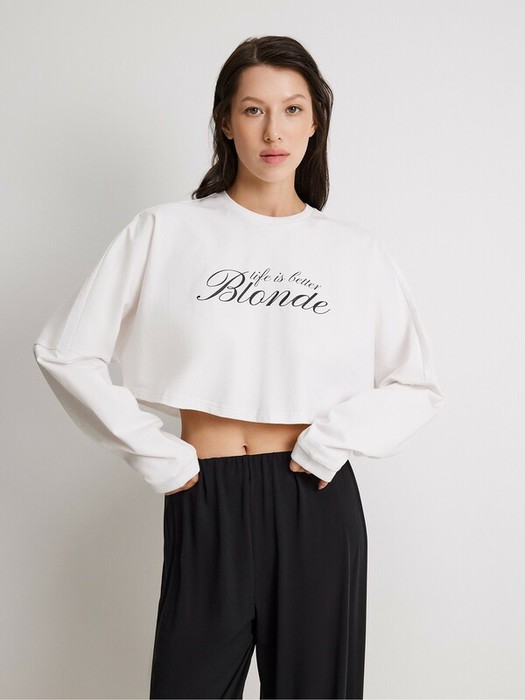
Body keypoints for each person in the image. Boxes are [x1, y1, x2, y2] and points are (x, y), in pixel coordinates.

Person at [32, 35, 445, 700]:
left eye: (291, 109)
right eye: (254, 110)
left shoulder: (354, 253)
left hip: (315, 499)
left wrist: (331, 441)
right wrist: (156, 454)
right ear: (226, 120)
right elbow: (64, 351)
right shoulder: (167, 232)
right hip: (206, 495)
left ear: (315, 120)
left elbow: (415, 383)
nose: (273, 131)